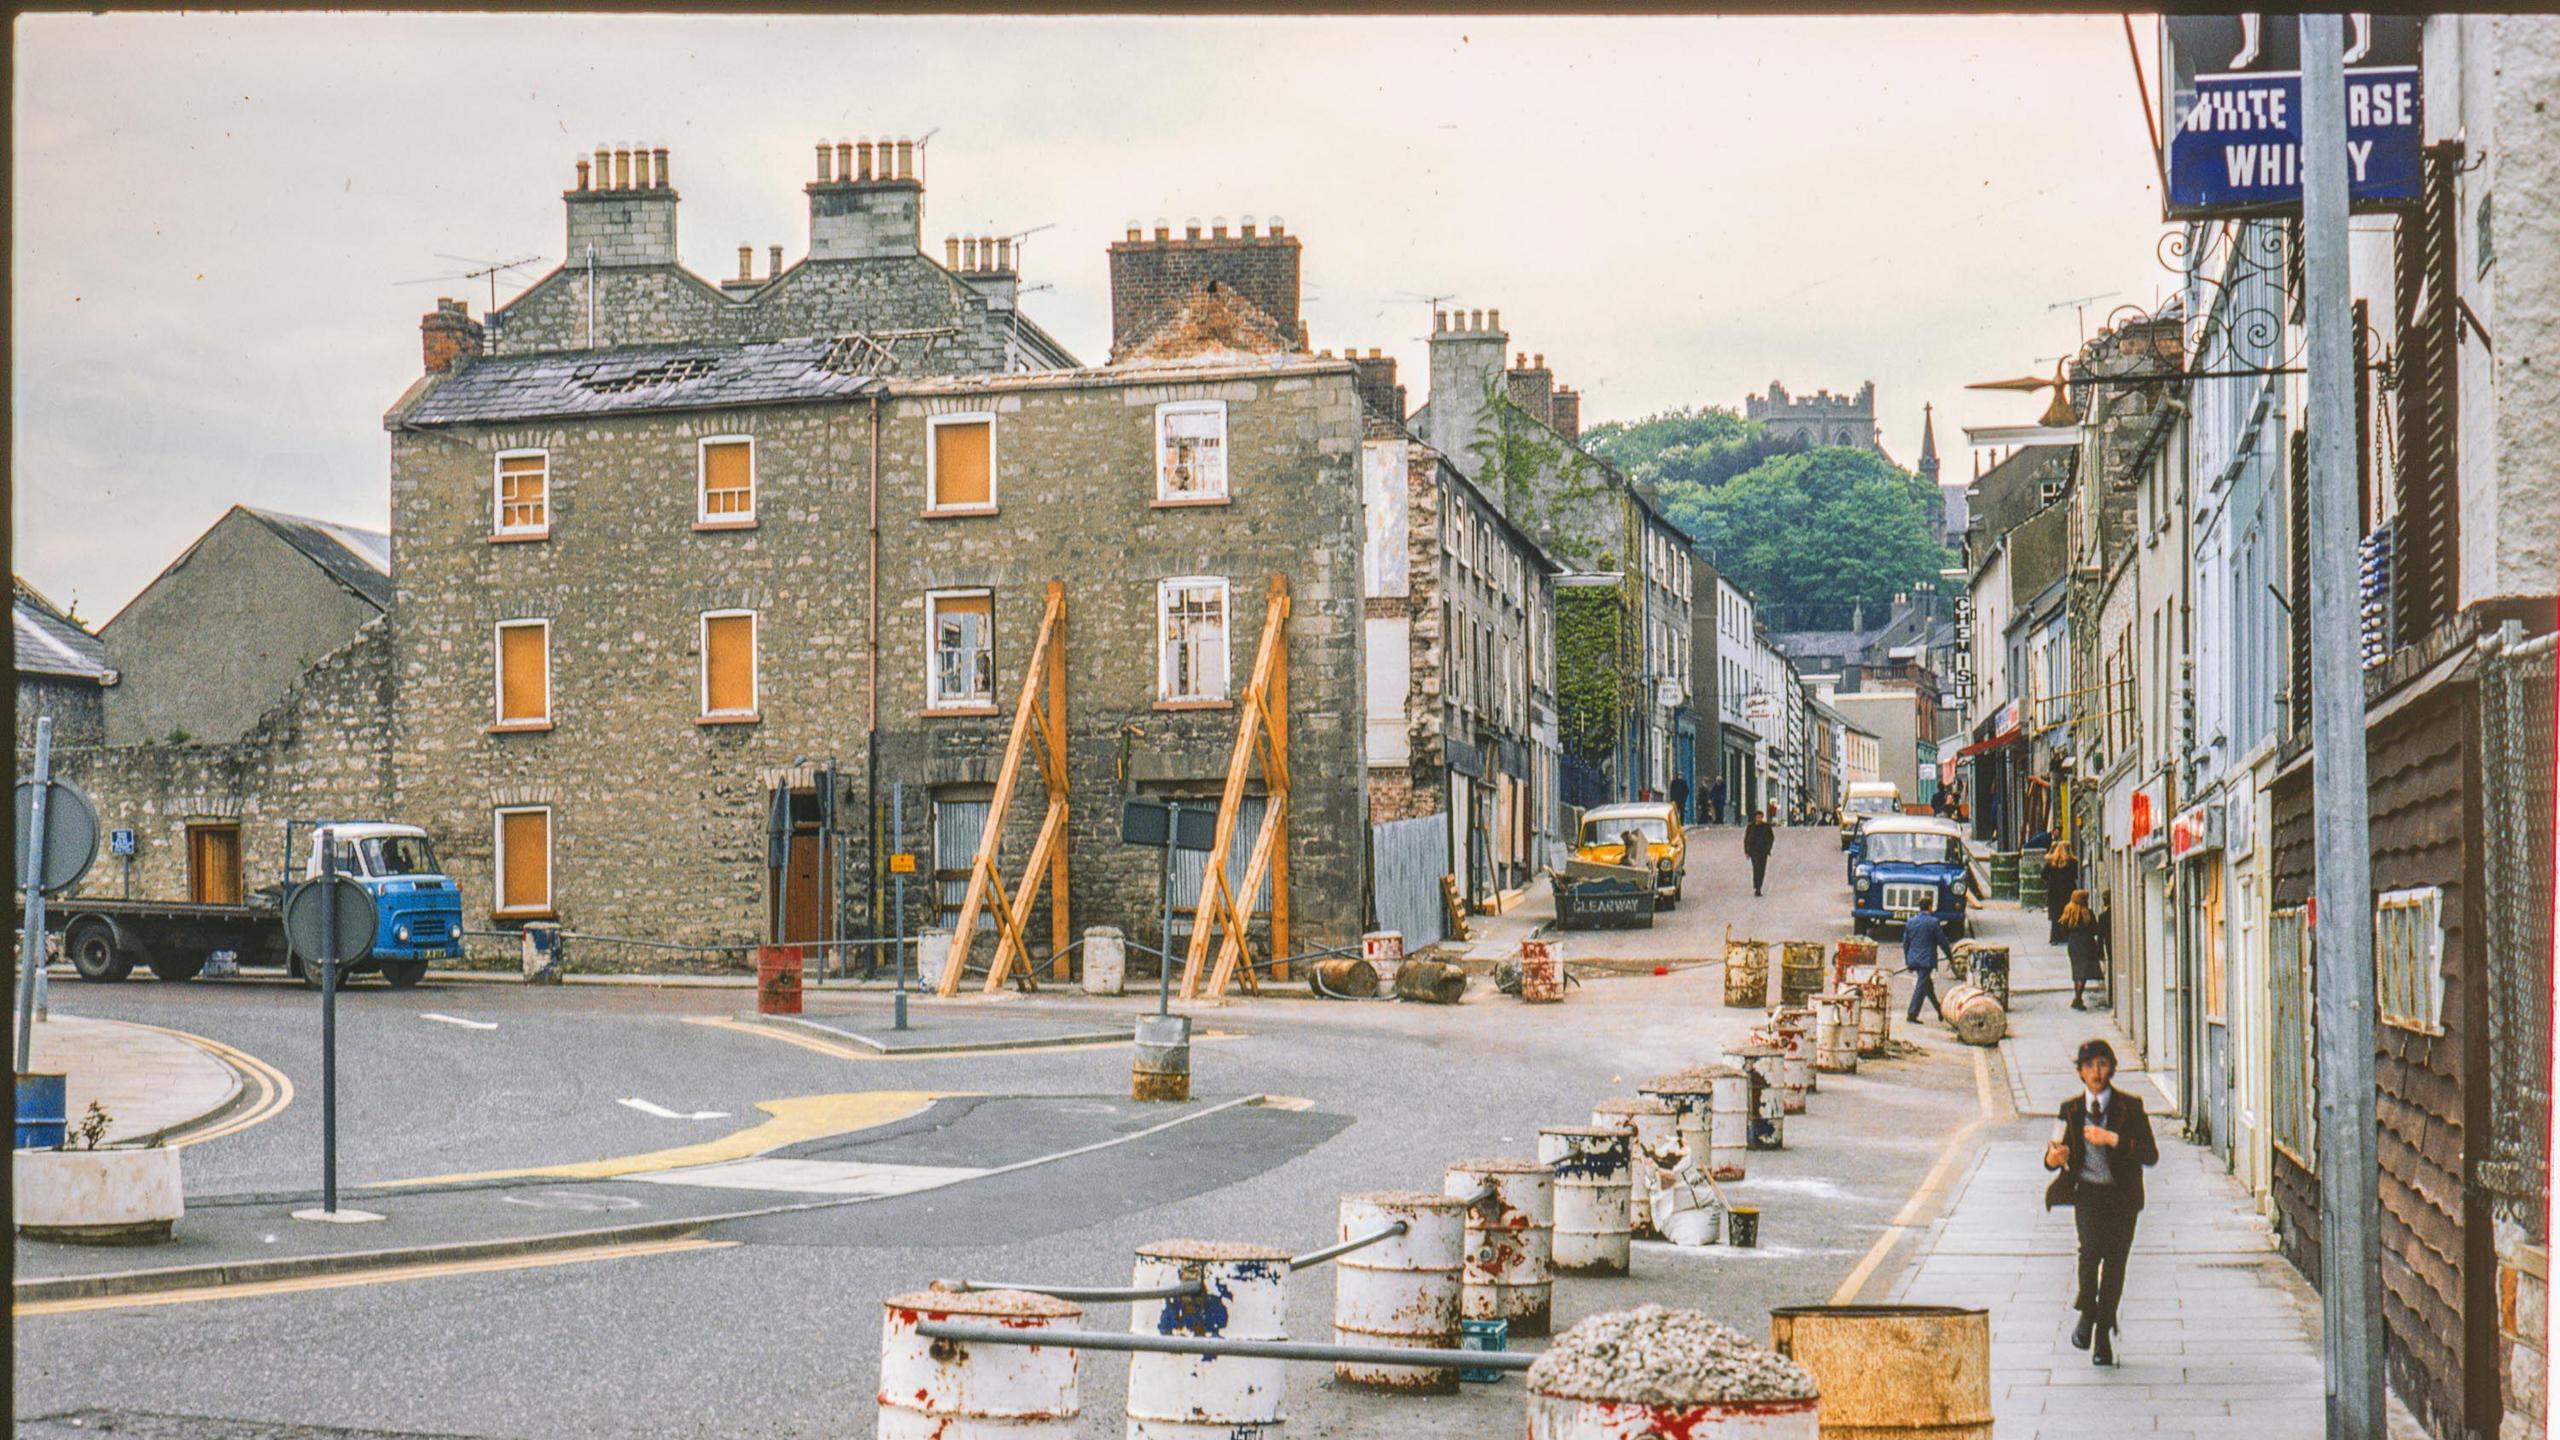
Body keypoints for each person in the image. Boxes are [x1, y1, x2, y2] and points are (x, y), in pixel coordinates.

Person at [2043, 1037, 2161, 1367]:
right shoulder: (2071, 1110)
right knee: (2089, 1252)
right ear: (2080, 1073)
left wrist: (2112, 1138)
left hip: (2123, 1197)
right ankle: (2088, 1312)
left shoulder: (2131, 1106)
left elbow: (2150, 1156)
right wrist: (2055, 1157)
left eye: (2102, 1064)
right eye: (2089, 1065)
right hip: (2089, 1195)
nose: (2096, 1071)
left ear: (2111, 1069)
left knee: (2114, 1264)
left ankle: (2102, 1336)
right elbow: (2051, 1156)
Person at [1901, 907, 1953, 1023]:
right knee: (1921, 985)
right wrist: (1950, 956)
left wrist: (1908, 960)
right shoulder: (1933, 922)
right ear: (1930, 907)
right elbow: (1942, 941)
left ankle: (1939, 1010)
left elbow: (1905, 943)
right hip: (1926, 960)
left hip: (1914, 959)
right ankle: (1912, 1013)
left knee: (1927, 986)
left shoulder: (1911, 921)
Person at [2058, 889, 2106, 1010]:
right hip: (2087, 944)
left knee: (2077, 972)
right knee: (2083, 973)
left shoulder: (2068, 911)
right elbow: (2095, 929)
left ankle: (2077, 997)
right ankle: (2078, 998)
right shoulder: (2087, 913)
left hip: (2074, 944)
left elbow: (2063, 930)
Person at [2041, 839, 2081, 944]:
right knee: (2067, 913)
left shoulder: (2051, 862)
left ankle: (2054, 937)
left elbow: (2043, 875)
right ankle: (2066, 935)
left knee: (2055, 915)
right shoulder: (2072, 862)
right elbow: (2076, 876)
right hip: (2068, 891)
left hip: (2054, 891)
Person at [1742, 807, 1775, 895]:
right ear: (1755, 817)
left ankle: (1759, 886)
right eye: (1757, 817)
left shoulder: (1766, 826)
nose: (1759, 819)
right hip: (1754, 851)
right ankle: (1757, 887)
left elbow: (1771, 838)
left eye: (1760, 817)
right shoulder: (1750, 827)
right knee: (1756, 868)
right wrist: (1746, 851)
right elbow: (1746, 839)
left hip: (1763, 851)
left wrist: (1768, 847)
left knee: (1762, 869)